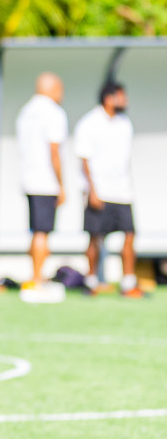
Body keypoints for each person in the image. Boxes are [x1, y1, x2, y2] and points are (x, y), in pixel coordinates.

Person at [75, 81, 141, 298]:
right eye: (122, 96)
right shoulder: (89, 123)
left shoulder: (125, 124)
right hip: (99, 190)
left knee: (129, 235)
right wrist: (92, 191)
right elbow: (84, 159)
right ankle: (91, 281)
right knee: (95, 237)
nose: (126, 100)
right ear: (109, 98)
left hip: (123, 191)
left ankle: (128, 283)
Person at [15, 73, 67, 288]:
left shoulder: (26, 111)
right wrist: (61, 184)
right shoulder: (54, 113)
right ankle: (37, 278)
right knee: (42, 232)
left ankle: (36, 274)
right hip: (45, 181)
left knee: (36, 230)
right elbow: (54, 152)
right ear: (53, 88)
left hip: (28, 179)